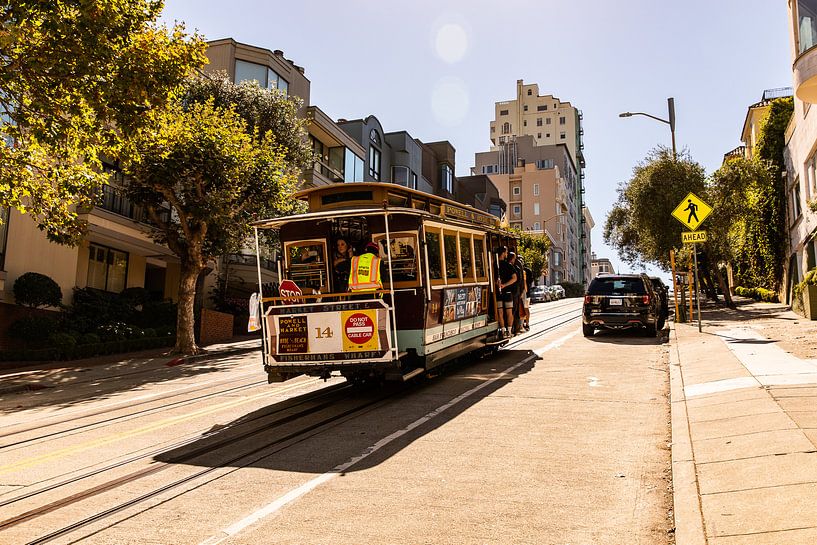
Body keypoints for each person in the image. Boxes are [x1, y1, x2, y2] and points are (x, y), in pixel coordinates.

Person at [495, 246, 517, 338]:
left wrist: (498, 284)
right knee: (509, 312)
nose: (507, 254)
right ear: (503, 253)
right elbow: (515, 278)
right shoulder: (508, 265)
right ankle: (509, 331)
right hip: (507, 292)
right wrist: (505, 285)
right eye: (506, 252)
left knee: (500, 312)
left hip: (498, 293)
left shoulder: (494, 265)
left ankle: (504, 332)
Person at [509, 252, 524, 335]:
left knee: (511, 310)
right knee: (514, 310)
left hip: (510, 291)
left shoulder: (513, 266)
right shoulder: (516, 267)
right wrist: (521, 291)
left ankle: (512, 329)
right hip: (515, 292)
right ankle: (515, 329)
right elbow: (520, 280)